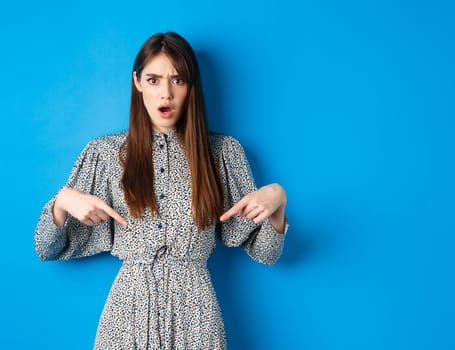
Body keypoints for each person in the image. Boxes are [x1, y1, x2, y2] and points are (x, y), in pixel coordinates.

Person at [34, 32, 288, 349]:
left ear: (191, 86)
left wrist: (278, 199)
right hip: (127, 317)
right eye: (154, 80)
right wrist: (61, 201)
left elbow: (267, 254)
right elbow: (45, 248)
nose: (165, 94)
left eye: (177, 80)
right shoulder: (105, 154)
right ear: (137, 82)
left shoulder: (223, 153)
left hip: (196, 316)